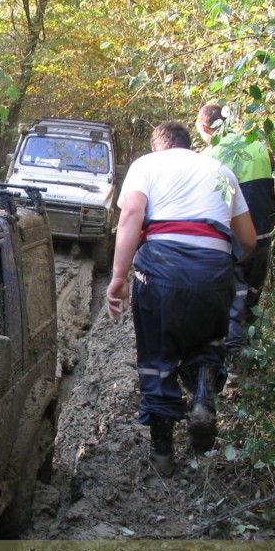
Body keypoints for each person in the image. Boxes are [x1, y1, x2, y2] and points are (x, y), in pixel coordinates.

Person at [106, 121, 256, 477]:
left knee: (157, 358)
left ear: (159, 146)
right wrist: (221, 267)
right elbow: (249, 240)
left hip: (161, 270)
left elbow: (130, 215)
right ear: (189, 145)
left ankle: (162, 455)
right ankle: (203, 399)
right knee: (208, 341)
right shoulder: (221, 169)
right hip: (214, 267)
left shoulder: (147, 165)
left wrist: (118, 277)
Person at [196, 105, 275, 382]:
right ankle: (244, 356)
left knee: (232, 300)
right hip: (265, 235)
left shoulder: (210, 157)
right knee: (251, 298)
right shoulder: (260, 145)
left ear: (205, 128)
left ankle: (230, 368)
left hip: (233, 239)